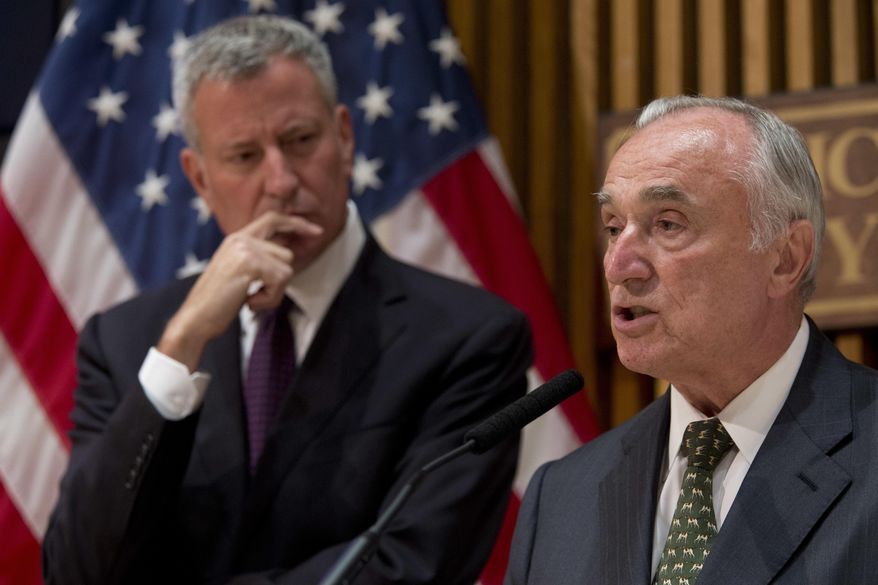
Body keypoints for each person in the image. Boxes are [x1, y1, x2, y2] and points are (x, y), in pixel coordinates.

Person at [42, 15, 532, 585]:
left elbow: (412, 567)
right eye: (245, 156)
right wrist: (182, 344)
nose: (280, 181)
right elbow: (76, 570)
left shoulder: (469, 338)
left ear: (344, 137)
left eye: (300, 141)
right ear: (199, 178)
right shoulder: (127, 341)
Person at [504, 95, 878, 585]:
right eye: (614, 227)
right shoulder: (561, 495)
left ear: (786, 258)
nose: (618, 266)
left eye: (667, 224)